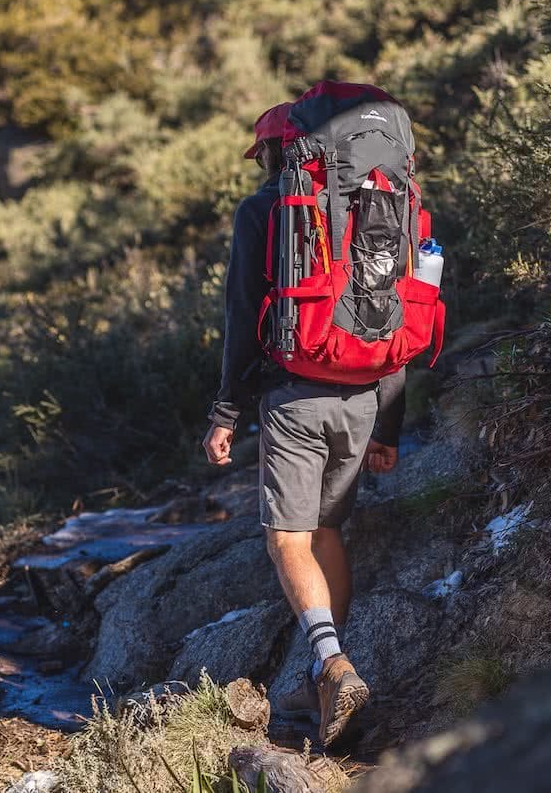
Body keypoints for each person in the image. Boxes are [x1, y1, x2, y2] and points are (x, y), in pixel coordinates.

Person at [202, 102, 406, 746]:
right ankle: (318, 677)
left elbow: (242, 317)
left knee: (287, 539)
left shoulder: (265, 210)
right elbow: (397, 311)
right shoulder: (383, 204)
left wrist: (226, 412)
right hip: (368, 393)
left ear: (272, 153)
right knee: (327, 531)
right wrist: (389, 426)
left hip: (294, 399)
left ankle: (332, 663)